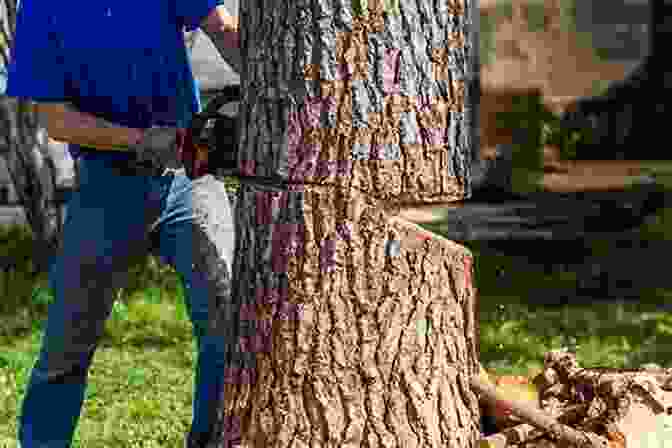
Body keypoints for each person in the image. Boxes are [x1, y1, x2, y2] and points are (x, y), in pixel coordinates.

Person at [5, 0, 242, 446]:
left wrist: (262, 64)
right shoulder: (41, 7)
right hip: (104, 186)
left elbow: (223, 28)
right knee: (66, 346)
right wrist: (140, 140)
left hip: (186, 175)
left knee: (225, 319)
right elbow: (56, 119)